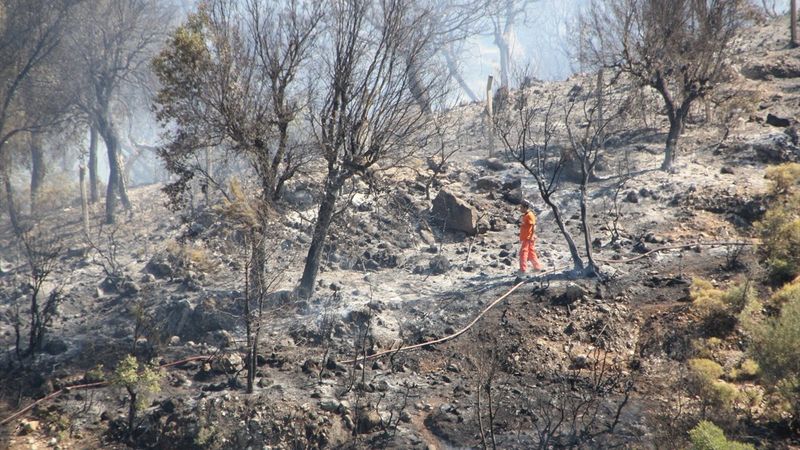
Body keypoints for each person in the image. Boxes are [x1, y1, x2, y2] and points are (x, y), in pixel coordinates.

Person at [518, 199, 542, 276]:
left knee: (523, 253)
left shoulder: (529, 215)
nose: (520, 209)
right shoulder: (526, 215)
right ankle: (537, 267)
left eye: (521, 207)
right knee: (531, 253)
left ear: (525, 208)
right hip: (527, 237)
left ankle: (523, 270)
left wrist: (530, 237)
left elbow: (533, 226)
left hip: (528, 238)